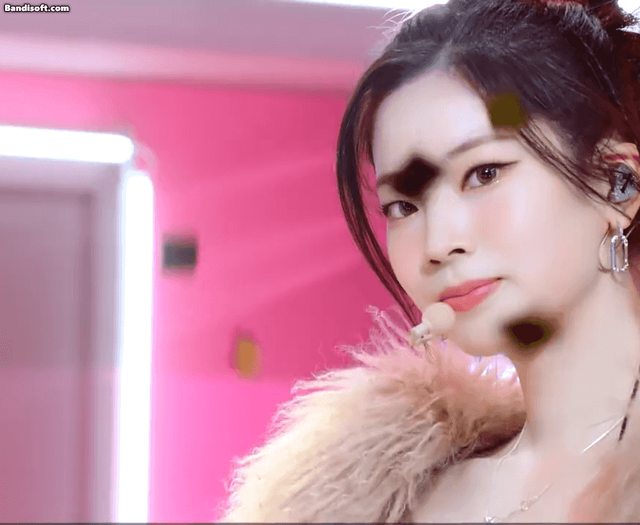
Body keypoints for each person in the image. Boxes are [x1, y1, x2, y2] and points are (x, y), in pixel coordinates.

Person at [218, 0, 640, 521]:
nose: (437, 242)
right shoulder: (373, 498)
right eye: (403, 206)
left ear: (617, 185)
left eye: (484, 173)